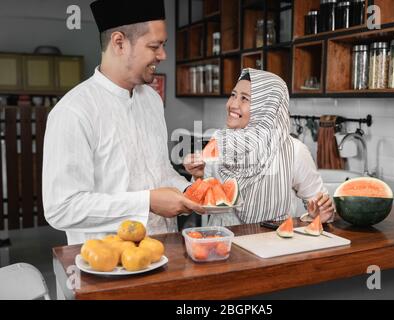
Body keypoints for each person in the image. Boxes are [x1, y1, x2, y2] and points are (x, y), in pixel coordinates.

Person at [43, 0, 204, 245]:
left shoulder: (151, 99)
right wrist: (147, 202)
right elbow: (62, 208)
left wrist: (189, 191)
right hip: (107, 268)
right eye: (155, 46)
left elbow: (159, 173)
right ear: (119, 42)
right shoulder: (73, 111)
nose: (163, 55)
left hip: (163, 252)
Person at [184, 68, 334, 226]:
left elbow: (320, 207)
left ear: (266, 108)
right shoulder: (219, 141)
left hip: (272, 244)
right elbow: (205, 199)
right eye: (233, 95)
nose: (232, 104)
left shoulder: (294, 151)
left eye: (245, 99)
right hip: (220, 241)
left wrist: (321, 213)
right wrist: (198, 176)